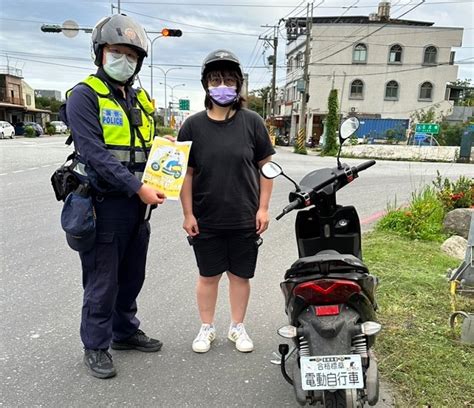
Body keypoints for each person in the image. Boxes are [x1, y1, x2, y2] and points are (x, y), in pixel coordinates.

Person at [62, 14, 166, 379]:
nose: (125, 60)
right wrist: (139, 187)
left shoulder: (139, 99)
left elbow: (147, 146)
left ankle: (124, 331)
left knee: (131, 274)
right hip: (102, 205)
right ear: (100, 53)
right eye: (116, 52)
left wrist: (166, 157)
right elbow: (95, 154)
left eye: (131, 55)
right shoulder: (84, 96)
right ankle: (95, 344)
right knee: (102, 280)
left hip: (138, 206)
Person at [177, 50, 275, 353]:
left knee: (240, 276)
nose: (223, 85)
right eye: (216, 79)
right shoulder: (192, 126)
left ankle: (237, 327)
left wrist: (263, 208)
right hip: (206, 218)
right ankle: (206, 328)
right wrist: (188, 213)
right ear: (206, 84)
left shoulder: (253, 122)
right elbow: (185, 174)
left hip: (245, 216)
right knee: (208, 276)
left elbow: (266, 168)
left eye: (229, 80)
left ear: (239, 85)